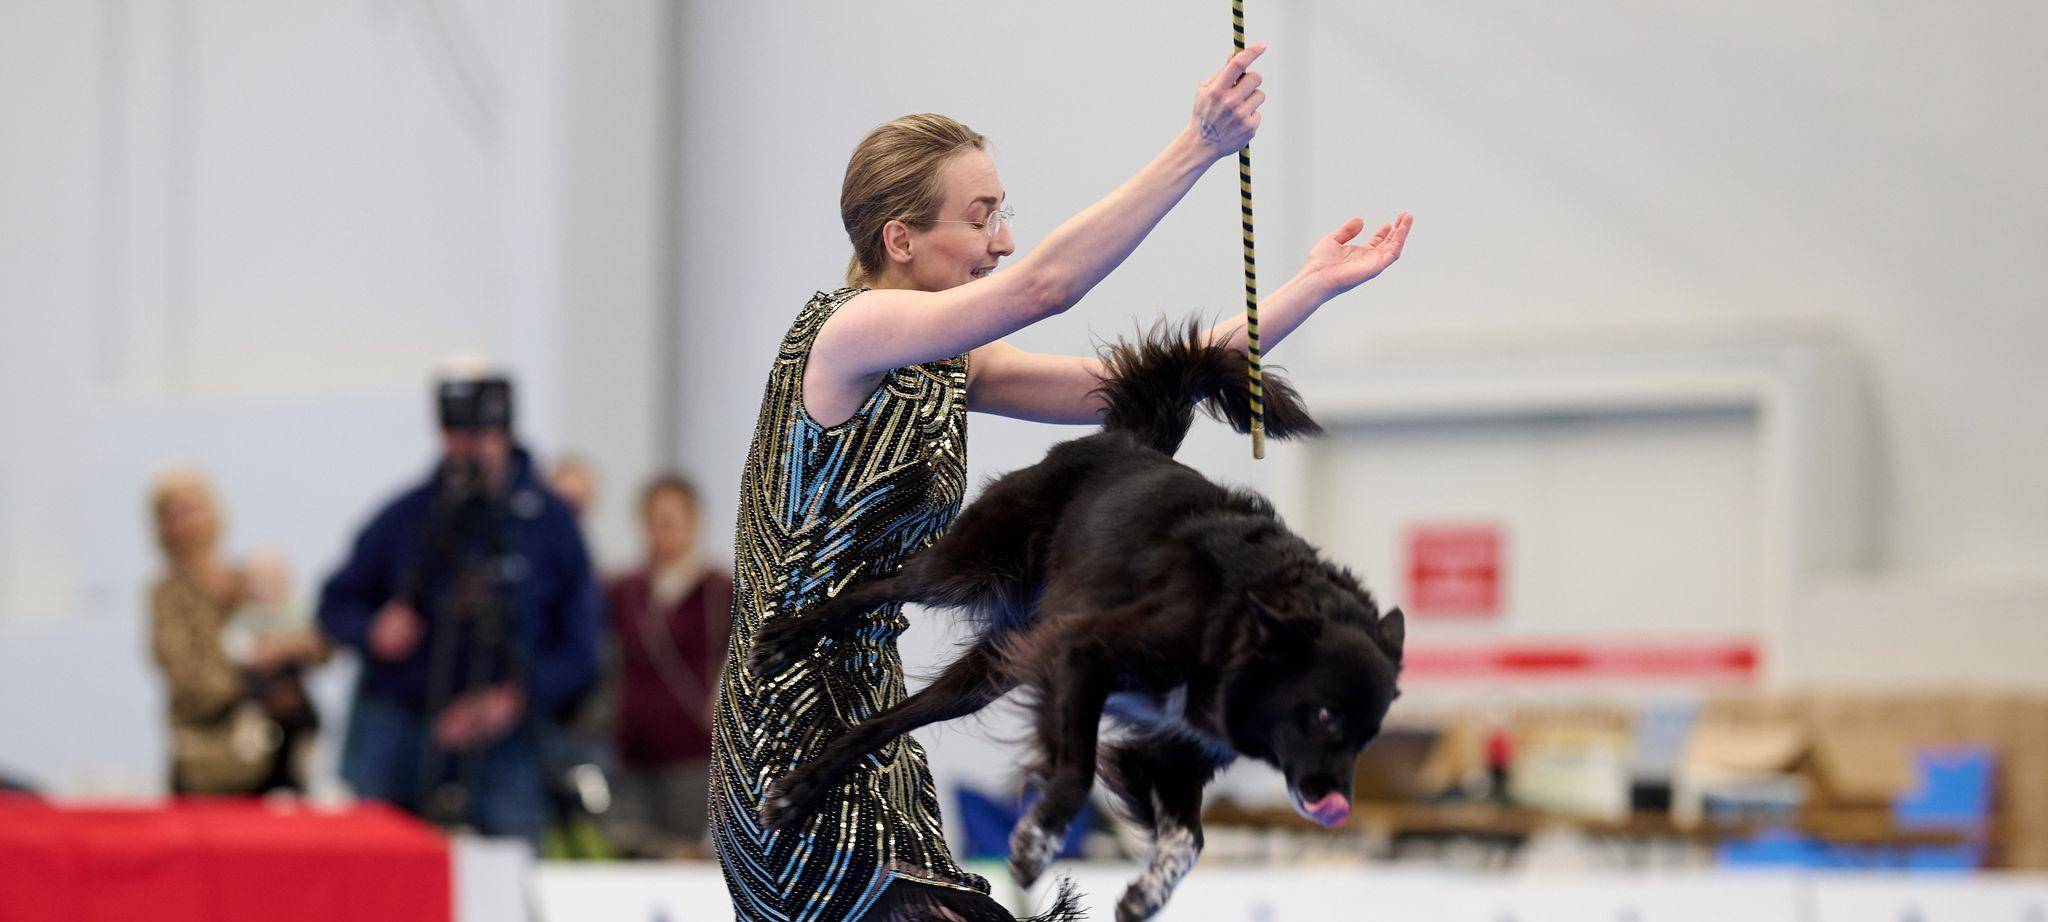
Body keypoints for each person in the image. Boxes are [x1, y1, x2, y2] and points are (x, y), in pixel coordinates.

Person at [711, 42, 1413, 921]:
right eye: (981, 217)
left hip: (873, 734)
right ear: (902, 239)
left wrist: (1306, 290)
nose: (1002, 241)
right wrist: (1197, 144)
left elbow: (1155, 381)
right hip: (785, 726)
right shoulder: (844, 334)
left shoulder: (952, 364)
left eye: (1006, 214)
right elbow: (1047, 283)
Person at [318, 363, 603, 842]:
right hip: (404, 726)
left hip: (505, 736)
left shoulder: (550, 523)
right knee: (380, 862)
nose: (467, 448)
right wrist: (373, 629)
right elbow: (334, 605)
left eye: (480, 433)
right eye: (455, 433)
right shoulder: (407, 515)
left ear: (505, 433)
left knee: (507, 866)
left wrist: (512, 700)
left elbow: (582, 648)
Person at [148, 468, 324, 794]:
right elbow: (187, 676)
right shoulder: (167, 596)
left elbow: (313, 639)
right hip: (209, 754)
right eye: (176, 513)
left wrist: (285, 650)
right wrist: (252, 679)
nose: (190, 523)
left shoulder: (248, 579)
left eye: (195, 507)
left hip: (275, 748)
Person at [604, 473, 731, 858]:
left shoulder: (719, 589)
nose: (662, 531)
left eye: (671, 520)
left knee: (686, 858)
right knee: (632, 852)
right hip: (633, 748)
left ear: (694, 522)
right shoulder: (623, 589)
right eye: (654, 521)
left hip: (692, 750)